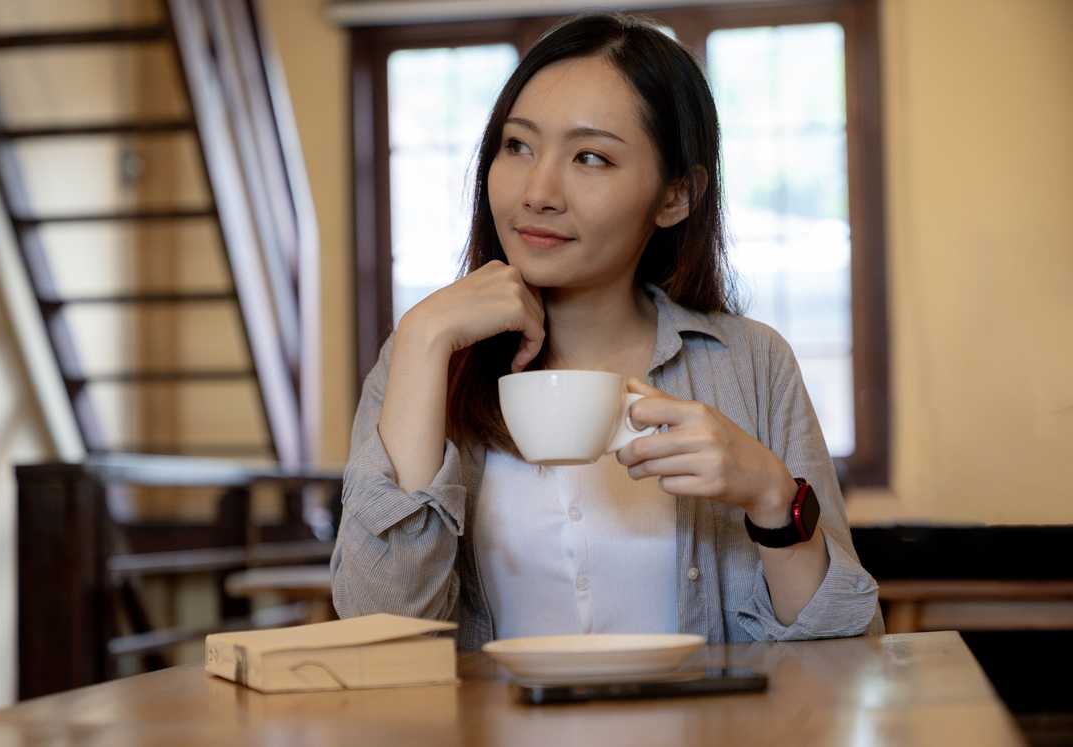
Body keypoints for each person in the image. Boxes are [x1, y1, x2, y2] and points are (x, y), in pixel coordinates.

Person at [331, 12, 882, 649]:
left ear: (676, 195)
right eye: (518, 146)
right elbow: (378, 638)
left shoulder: (751, 363)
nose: (537, 191)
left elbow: (849, 651)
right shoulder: (424, 358)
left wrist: (769, 494)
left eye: (590, 157)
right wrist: (424, 335)